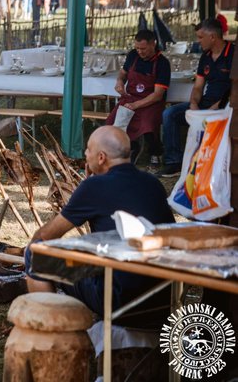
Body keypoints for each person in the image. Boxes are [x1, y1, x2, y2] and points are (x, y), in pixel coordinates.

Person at [25, 126, 175, 325]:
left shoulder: (94, 187)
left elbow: (46, 236)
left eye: (88, 150)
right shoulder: (152, 182)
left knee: (35, 253)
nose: (85, 155)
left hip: (122, 299)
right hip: (163, 294)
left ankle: (50, 331)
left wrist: (86, 189)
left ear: (101, 157)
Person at [158, 18, 235, 177]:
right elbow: (198, 86)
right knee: (170, 114)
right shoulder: (205, 57)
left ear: (212, 36)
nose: (198, 41)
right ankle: (174, 162)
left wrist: (218, 106)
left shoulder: (233, 54)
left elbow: (235, 88)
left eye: (200, 37)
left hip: (227, 106)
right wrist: (194, 103)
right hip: (205, 104)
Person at [106, 29, 170, 168]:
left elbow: (157, 95)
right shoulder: (133, 56)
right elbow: (122, 74)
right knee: (112, 120)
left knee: (147, 124)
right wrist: (119, 82)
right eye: (137, 48)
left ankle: (155, 152)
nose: (140, 52)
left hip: (151, 101)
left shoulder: (162, 63)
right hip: (130, 98)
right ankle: (131, 147)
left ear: (153, 44)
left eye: (143, 49)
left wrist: (136, 105)